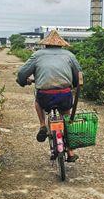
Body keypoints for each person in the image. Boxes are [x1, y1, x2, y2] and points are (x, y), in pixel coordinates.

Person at [16, 30, 82, 162]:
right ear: (61, 45)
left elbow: (22, 74)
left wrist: (23, 81)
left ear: (45, 44)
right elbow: (78, 75)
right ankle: (70, 151)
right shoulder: (69, 55)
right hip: (64, 94)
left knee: (38, 101)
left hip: (45, 95)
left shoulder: (37, 55)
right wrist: (73, 84)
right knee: (66, 117)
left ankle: (42, 125)